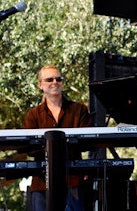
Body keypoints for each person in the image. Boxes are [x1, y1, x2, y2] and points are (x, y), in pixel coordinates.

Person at [24, 65, 92, 211]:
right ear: (40, 85)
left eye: (58, 79)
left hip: (73, 181)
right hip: (42, 183)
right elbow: (29, 148)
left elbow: (87, 143)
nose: (55, 82)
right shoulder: (33, 115)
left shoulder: (79, 110)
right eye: (49, 79)